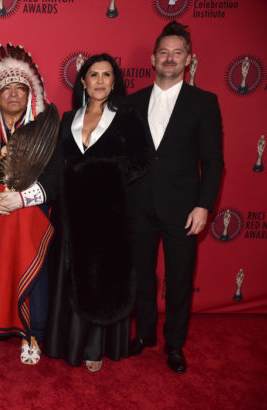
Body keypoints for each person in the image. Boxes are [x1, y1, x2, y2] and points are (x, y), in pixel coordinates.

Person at [43, 54, 150, 372]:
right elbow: (56, 164)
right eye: (94, 75)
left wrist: (106, 177)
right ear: (84, 82)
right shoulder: (67, 118)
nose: (100, 81)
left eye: (107, 75)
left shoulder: (127, 117)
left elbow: (142, 159)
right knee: (71, 277)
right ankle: (66, 344)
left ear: (114, 82)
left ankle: (93, 348)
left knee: (101, 280)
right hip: (70, 213)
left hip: (108, 211)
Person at [127, 21, 224, 374]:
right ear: (153, 58)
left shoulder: (204, 103)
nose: (170, 58)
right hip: (139, 206)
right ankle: (144, 336)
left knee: (180, 278)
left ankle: (174, 344)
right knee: (142, 275)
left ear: (188, 60)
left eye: (177, 53)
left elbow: (213, 162)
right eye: (164, 52)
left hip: (184, 209)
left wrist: (204, 206)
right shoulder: (132, 102)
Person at [0, 44, 62, 365]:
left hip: (30, 209)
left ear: (30, 94)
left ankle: (32, 333)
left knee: (31, 266)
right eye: (9, 88)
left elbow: (56, 177)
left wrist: (21, 198)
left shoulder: (44, 128)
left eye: (21, 88)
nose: (15, 94)